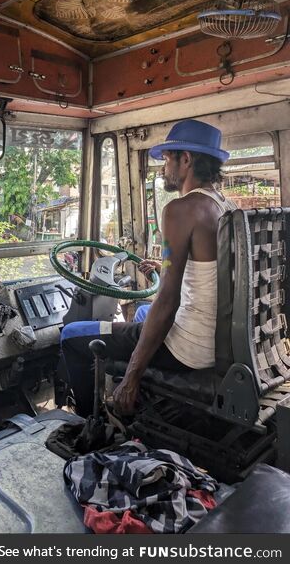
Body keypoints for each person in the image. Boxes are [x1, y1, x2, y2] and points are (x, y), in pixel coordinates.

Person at [60, 119, 236, 418]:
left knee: (73, 334)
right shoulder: (225, 206)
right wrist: (164, 267)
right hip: (218, 340)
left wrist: (131, 377)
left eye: (167, 159)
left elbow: (168, 300)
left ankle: (90, 422)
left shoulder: (181, 209)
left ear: (186, 159)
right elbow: (202, 270)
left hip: (190, 348)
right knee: (142, 311)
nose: (163, 168)